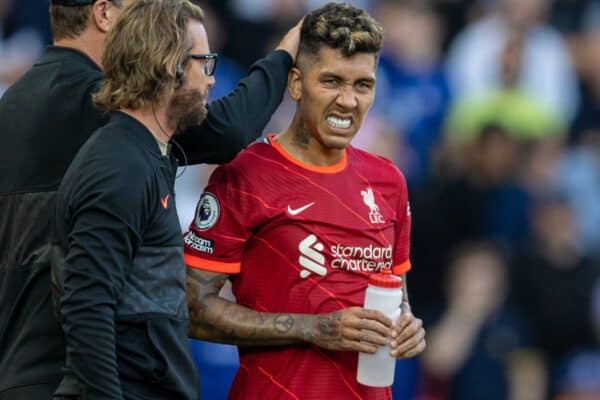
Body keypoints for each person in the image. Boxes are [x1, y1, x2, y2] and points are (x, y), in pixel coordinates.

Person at [0, 0, 300, 398]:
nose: (152, 19)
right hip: (82, 372)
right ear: (104, 13)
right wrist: (283, 56)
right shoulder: (112, 121)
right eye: (140, 6)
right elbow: (227, 131)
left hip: (22, 362)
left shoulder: (11, 105)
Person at [183, 3, 426, 399]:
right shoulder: (246, 175)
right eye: (331, 81)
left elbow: (395, 292)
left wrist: (407, 324)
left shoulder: (389, 181)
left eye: (362, 85)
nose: (348, 101)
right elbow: (192, 308)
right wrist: (313, 328)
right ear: (295, 84)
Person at [50, 0, 247, 398]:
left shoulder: (147, 155)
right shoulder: (120, 168)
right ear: (168, 66)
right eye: (203, 63)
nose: (212, 80)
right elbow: (87, 307)